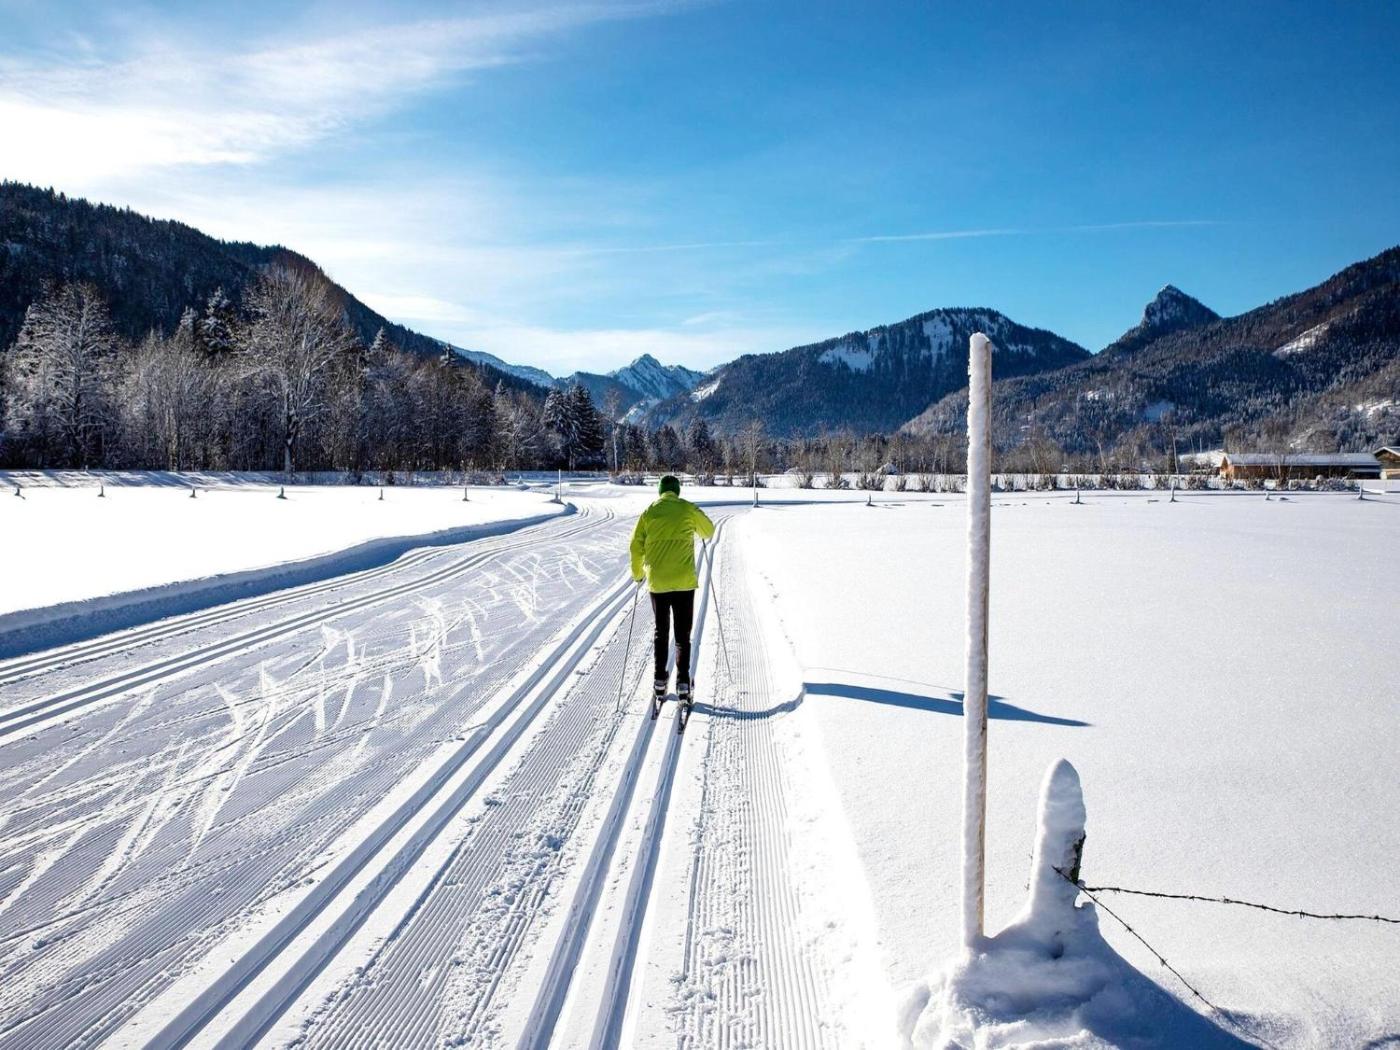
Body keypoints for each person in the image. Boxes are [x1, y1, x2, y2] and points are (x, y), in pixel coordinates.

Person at [629, 474, 715, 705]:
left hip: (658, 582)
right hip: (683, 581)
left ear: (660, 491)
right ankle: (683, 683)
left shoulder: (649, 513)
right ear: (677, 491)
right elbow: (708, 531)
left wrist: (638, 574)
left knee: (661, 630)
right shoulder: (687, 509)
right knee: (682, 634)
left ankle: (659, 680)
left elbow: (635, 546)